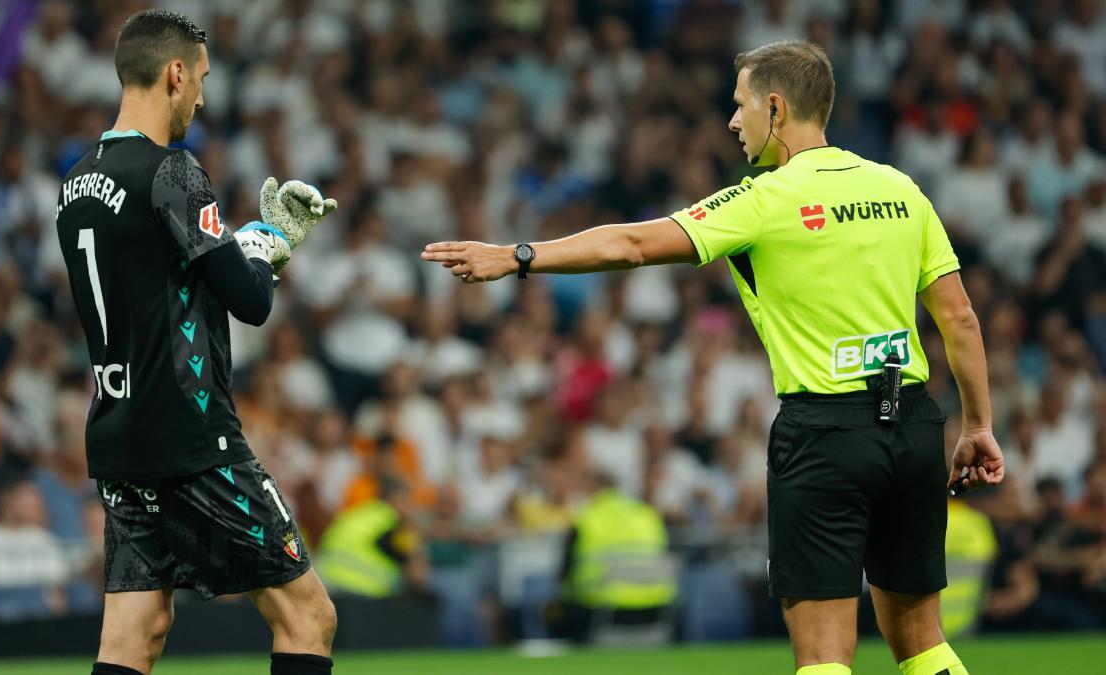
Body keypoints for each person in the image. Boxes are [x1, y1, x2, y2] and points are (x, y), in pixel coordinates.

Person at [421, 40, 1005, 675]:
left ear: (775, 108)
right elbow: (959, 318)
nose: (733, 121)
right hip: (913, 425)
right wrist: (977, 426)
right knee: (924, 642)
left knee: (824, 655)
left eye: (741, 105)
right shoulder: (901, 190)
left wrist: (518, 256)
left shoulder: (764, 198)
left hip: (826, 435)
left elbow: (632, 245)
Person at [54, 10, 338, 675]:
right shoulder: (173, 172)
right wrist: (272, 244)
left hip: (119, 438)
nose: (203, 97)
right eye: (202, 79)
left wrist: (240, 249)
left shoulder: (75, 185)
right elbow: (251, 301)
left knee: (135, 633)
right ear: (175, 73)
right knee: (308, 616)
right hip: (192, 438)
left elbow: (164, 283)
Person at [548, 472, 676, 643]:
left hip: (600, 612)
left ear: (592, 489)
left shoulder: (586, 518)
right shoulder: (647, 514)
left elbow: (565, 572)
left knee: (552, 608)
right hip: (655, 609)